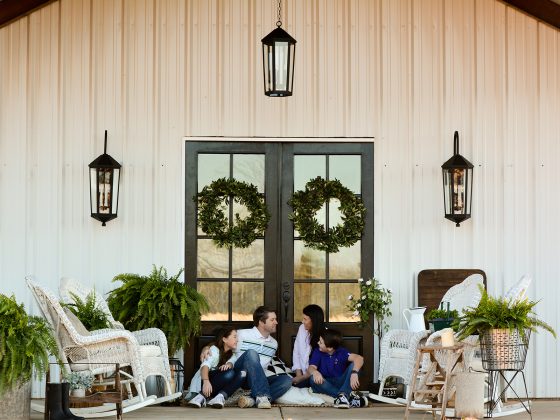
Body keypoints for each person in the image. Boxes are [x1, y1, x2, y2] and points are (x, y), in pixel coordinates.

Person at [201, 306, 292, 409]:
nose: (276, 322)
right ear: (261, 322)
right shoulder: (242, 334)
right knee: (251, 353)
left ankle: (251, 400)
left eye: (275, 319)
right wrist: (206, 348)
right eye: (272, 320)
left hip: (259, 379)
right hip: (241, 374)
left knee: (286, 380)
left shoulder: (274, 344)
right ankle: (262, 396)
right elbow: (222, 342)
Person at [307, 328, 368, 409]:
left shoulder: (341, 352)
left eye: (321, 342)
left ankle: (342, 397)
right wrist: (315, 372)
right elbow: (311, 367)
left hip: (340, 382)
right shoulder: (317, 351)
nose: (318, 343)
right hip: (325, 383)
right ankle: (346, 397)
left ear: (330, 348)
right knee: (312, 379)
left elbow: (359, 358)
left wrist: (354, 373)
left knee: (355, 365)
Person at [187, 327, 246, 408]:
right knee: (230, 373)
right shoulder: (214, 350)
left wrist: (228, 365)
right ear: (224, 339)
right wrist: (206, 381)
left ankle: (220, 397)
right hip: (204, 383)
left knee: (242, 373)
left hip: (216, 388)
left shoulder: (232, 355)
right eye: (234, 337)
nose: (237, 340)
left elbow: (231, 362)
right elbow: (205, 366)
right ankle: (201, 396)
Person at [291, 304, 325, 387]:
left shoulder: (324, 336)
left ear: (313, 320)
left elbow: (320, 365)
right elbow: (296, 352)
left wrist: (302, 378)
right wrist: (298, 375)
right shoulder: (302, 328)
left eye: (305, 319)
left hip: (317, 376)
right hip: (302, 375)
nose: (302, 321)